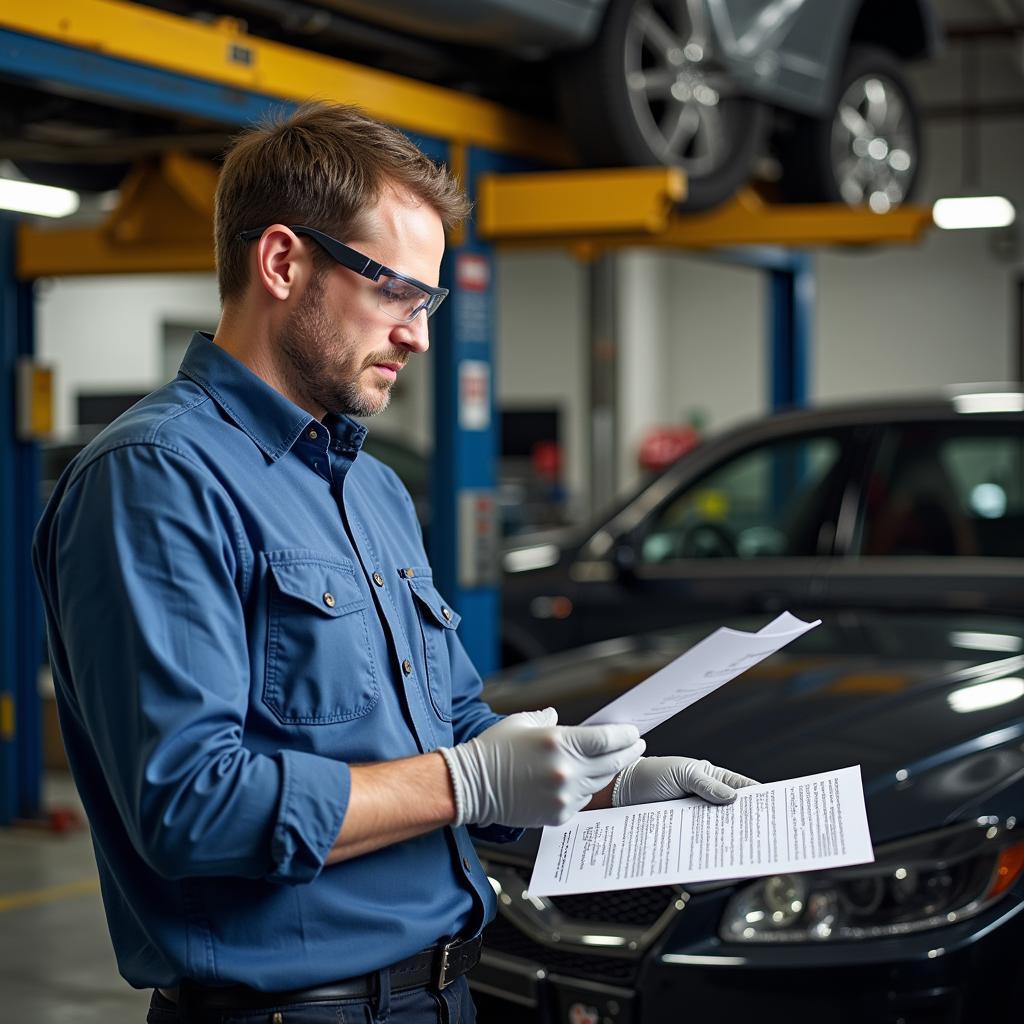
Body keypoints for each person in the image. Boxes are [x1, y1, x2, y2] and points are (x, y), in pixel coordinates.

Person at [33, 102, 756, 1024]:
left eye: (429, 301)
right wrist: (470, 781)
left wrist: (606, 786)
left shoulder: (369, 489)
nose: (419, 333)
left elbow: (451, 725)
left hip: (447, 991)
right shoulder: (156, 477)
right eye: (394, 291)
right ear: (283, 262)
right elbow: (192, 806)